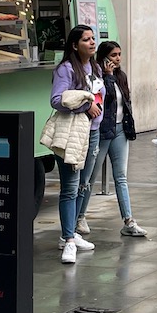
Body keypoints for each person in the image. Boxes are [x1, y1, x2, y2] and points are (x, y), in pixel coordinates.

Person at [74, 41, 148, 238]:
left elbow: (126, 103)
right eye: (114, 55)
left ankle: (129, 220)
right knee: (89, 177)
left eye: (119, 55)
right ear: (104, 57)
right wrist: (106, 76)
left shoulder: (121, 76)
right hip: (102, 130)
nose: (117, 59)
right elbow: (101, 100)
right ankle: (79, 217)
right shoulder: (98, 76)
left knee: (121, 176)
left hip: (120, 130)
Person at [49, 24, 104, 264]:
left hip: (93, 132)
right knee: (70, 188)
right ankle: (68, 240)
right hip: (73, 134)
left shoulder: (95, 67)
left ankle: (72, 233)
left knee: (84, 185)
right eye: (86, 40)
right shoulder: (66, 69)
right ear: (74, 45)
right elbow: (57, 100)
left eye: (93, 39)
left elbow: (99, 94)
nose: (92, 43)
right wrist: (85, 105)